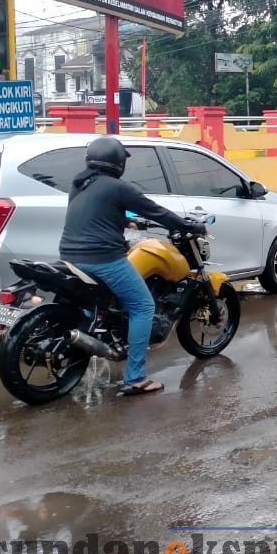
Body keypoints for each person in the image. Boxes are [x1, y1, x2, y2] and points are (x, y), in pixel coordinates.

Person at [58, 136, 206, 397]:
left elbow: (92, 215)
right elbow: (157, 212)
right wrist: (188, 227)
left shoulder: (79, 184)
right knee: (143, 305)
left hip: (70, 255)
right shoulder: (118, 188)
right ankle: (136, 377)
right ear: (117, 162)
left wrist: (125, 222)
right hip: (103, 259)